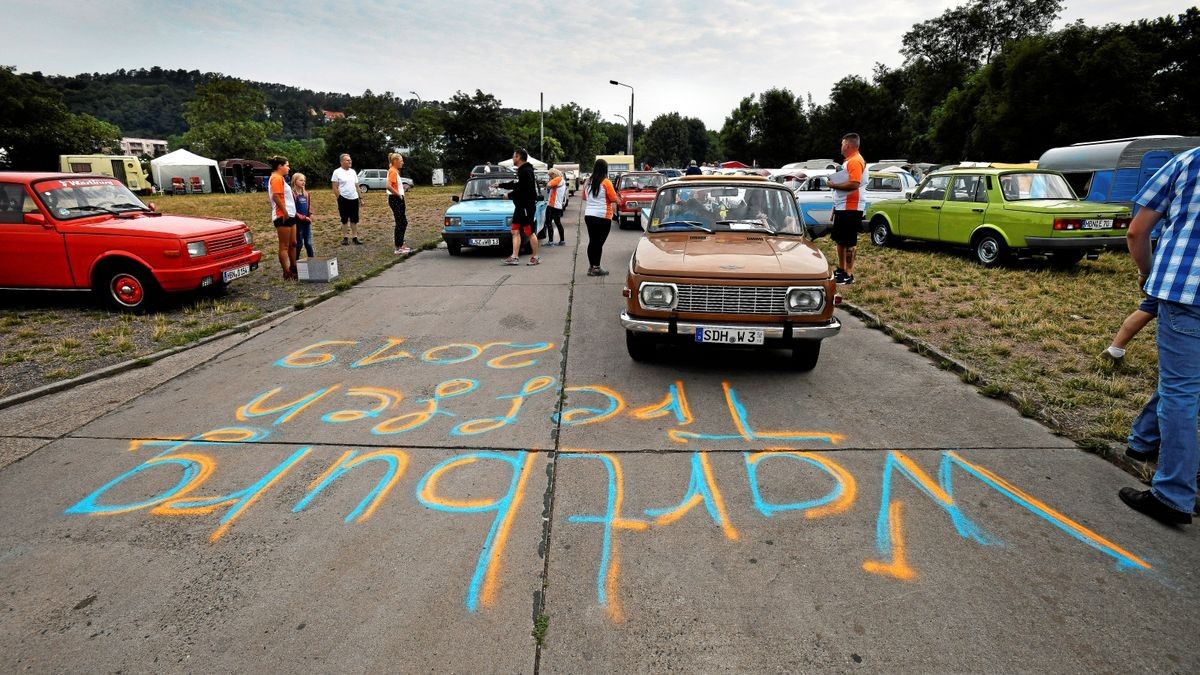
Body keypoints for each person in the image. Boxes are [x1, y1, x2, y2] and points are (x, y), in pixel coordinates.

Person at [1120, 145, 1200, 526]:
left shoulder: (1189, 161)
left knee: (1180, 389)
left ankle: (1172, 494)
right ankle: (1142, 441)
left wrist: (1147, 273)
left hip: (1186, 292)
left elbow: (1137, 230)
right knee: (1184, 382)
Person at [827, 132, 867, 284]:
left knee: (849, 241)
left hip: (852, 206)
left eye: (843, 144)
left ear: (849, 145)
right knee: (840, 239)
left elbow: (854, 183)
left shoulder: (855, 161)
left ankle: (848, 274)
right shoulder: (848, 161)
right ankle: (841, 269)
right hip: (843, 206)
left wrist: (833, 185)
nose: (841, 146)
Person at [498, 148, 539, 266]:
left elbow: (523, 189)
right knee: (514, 230)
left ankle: (535, 257)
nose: (512, 158)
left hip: (526, 207)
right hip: (520, 207)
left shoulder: (526, 171)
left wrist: (509, 195)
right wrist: (500, 185)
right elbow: (516, 184)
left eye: (514, 156)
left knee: (529, 232)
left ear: (519, 157)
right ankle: (514, 257)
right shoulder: (521, 171)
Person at [583, 158, 619, 276]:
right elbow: (613, 198)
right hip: (602, 216)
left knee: (592, 241)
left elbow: (584, 197)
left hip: (589, 215)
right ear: (605, 169)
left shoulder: (588, 181)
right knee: (598, 242)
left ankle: (591, 267)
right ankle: (597, 268)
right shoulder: (606, 182)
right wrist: (619, 200)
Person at [268, 156, 298, 280]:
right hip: (282, 215)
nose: (288, 167)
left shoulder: (281, 178)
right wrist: (285, 211)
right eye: (286, 165)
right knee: (284, 245)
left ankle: (294, 267)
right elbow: (276, 196)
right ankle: (286, 272)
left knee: (293, 243)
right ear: (280, 166)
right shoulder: (276, 178)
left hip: (290, 214)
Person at [331, 153, 362, 245]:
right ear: (342, 162)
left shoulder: (353, 172)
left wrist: (360, 197)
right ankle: (345, 237)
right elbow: (334, 186)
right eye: (347, 160)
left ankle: (355, 237)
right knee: (344, 219)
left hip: (354, 198)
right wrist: (339, 197)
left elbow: (357, 186)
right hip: (343, 198)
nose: (350, 161)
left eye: (350, 160)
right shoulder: (337, 172)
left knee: (354, 219)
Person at [387, 153, 411, 255]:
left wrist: (403, 189)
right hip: (395, 199)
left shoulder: (395, 171)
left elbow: (394, 185)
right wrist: (398, 195)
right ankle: (398, 247)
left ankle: (400, 244)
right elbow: (388, 186)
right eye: (401, 161)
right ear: (395, 161)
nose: (403, 162)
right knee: (400, 223)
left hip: (397, 198)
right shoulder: (392, 171)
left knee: (403, 222)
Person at [292, 172, 314, 260]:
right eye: (301, 180)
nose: (303, 182)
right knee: (299, 243)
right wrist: (303, 218)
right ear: (294, 181)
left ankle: (313, 261)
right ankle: (295, 263)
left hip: (307, 222)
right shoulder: (292, 194)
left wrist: (310, 214)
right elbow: (292, 211)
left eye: (304, 180)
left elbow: (309, 206)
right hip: (298, 223)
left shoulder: (306, 194)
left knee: (308, 243)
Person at [545, 168, 567, 246]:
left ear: (554, 174)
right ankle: (562, 240)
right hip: (558, 206)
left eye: (551, 176)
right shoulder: (562, 181)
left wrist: (549, 182)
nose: (550, 177)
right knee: (558, 223)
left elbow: (548, 185)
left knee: (549, 222)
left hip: (552, 205)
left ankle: (551, 242)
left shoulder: (558, 179)